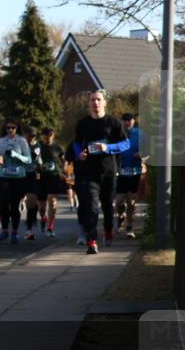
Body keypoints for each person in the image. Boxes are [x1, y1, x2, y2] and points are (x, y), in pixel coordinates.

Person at [65, 90, 129, 254]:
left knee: (108, 206)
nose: (95, 103)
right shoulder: (83, 124)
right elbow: (77, 144)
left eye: (98, 100)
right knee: (91, 206)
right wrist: (80, 154)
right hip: (88, 172)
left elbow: (125, 144)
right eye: (92, 100)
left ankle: (108, 230)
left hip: (108, 171)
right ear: (89, 104)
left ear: (104, 102)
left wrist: (108, 148)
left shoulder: (113, 123)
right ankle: (92, 241)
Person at [0, 120, 31, 244]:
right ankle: (5, 231)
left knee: (15, 205)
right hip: (4, 175)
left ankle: (14, 232)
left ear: (17, 128)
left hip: (18, 177)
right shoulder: (1, 141)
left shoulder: (22, 141)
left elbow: (28, 160)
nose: (10, 130)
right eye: (8, 128)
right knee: (3, 204)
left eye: (13, 127)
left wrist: (16, 155)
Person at [114, 113, 146, 239]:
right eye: (125, 120)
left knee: (131, 201)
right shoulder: (117, 134)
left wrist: (142, 155)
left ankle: (129, 228)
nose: (127, 123)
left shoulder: (140, 134)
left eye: (130, 120)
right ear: (122, 121)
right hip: (120, 172)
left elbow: (149, 151)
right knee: (118, 202)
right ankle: (120, 217)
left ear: (134, 121)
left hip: (135, 172)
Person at [36, 127, 64, 237]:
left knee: (52, 201)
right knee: (41, 206)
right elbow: (33, 159)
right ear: (42, 136)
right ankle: (43, 218)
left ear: (53, 135)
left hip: (54, 176)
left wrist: (64, 169)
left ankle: (50, 226)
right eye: (46, 136)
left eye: (50, 135)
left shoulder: (57, 147)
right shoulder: (38, 146)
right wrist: (37, 169)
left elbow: (63, 159)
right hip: (41, 178)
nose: (48, 138)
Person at [21, 126, 43, 240]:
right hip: (19, 175)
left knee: (32, 202)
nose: (31, 139)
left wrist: (39, 169)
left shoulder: (38, 146)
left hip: (31, 176)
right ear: (25, 135)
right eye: (29, 136)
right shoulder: (20, 143)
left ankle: (29, 229)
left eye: (33, 137)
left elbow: (39, 160)